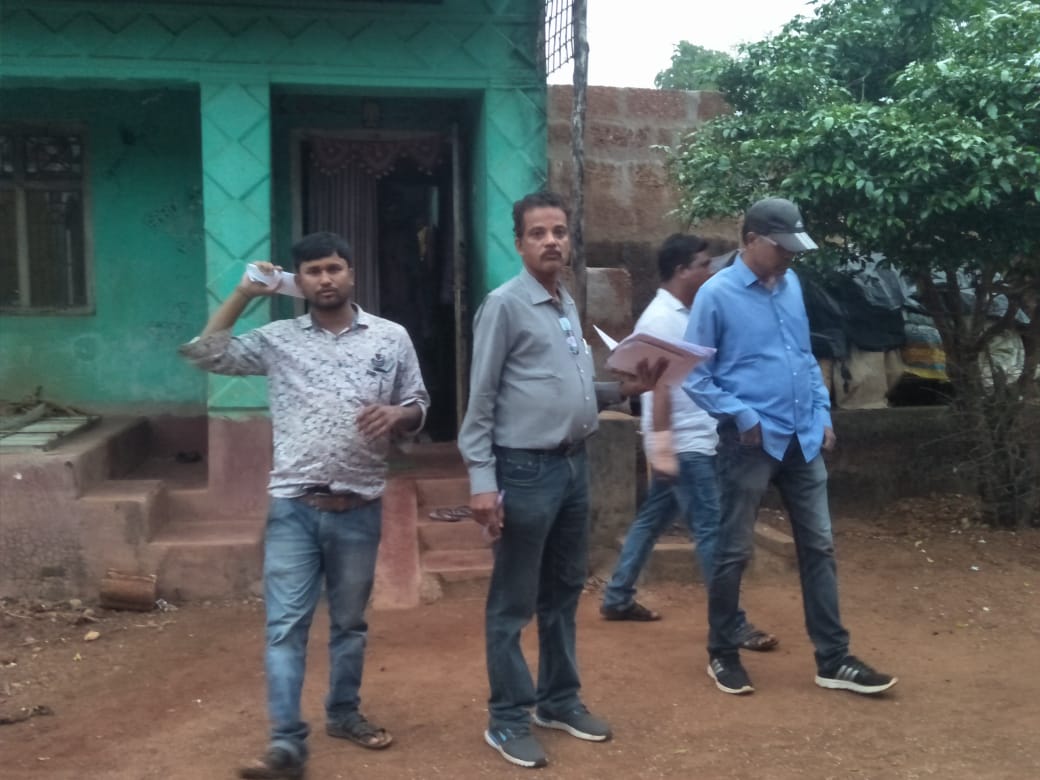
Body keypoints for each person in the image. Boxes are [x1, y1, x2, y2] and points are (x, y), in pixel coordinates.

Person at [180, 231, 430, 779]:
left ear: (351, 274)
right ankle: (287, 744)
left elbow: (418, 402)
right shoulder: (278, 340)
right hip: (294, 508)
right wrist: (244, 294)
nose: (325, 279)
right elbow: (205, 353)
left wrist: (399, 416)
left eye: (334, 268)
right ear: (300, 281)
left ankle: (343, 713)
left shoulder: (390, 338)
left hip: (359, 506)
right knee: (284, 629)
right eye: (313, 271)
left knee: (350, 624)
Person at [458, 191, 664, 769]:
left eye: (559, 231)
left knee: (565, 590)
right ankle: (507, 718)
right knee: (513, 601)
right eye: (539, 233)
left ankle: (558, 700)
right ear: (519, 243)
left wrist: (622, 391)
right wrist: (481, 481)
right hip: (523, 470)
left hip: (574, 466)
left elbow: (568, 389)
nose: (552, 241)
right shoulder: (504, 306)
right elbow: (481, 400)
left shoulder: (565, 301)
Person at [683, 197, 898, 697]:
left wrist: (822, 413)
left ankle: (833, 658)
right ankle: (722, 652)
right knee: (734, 552)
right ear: (751, 240)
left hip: (802, 439)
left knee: (819, 547)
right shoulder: (716, 295)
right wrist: (741, 414)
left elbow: (803, 356)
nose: (789, 256)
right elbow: (695, 375)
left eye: (794, 248)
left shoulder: (792, 285)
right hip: (748, 446)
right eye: (781, 247)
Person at [598, 234, 778, 652]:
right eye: (702, 264)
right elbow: (658, 388)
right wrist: (663, 449)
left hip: (690, 438)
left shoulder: (685, 312)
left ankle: (617, 596)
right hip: (686, 442)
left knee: (652, 519)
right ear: (681, 271)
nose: (709, 271)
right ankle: (732, 623)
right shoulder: (661, 320)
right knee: (712, 531)